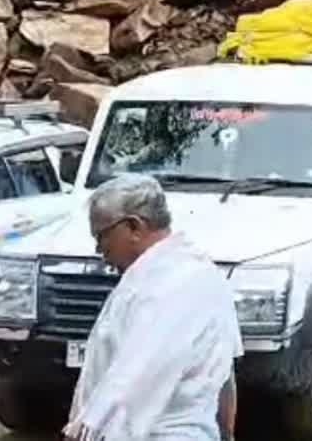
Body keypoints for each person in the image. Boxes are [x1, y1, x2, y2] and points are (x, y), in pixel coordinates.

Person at [63, 174, 243, 441]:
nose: (99, 248)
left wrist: (82, 432)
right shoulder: (203, 274)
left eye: (101, 235)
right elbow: (226, 378)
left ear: (134, 227)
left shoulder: (164, 286)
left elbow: (130, 381)